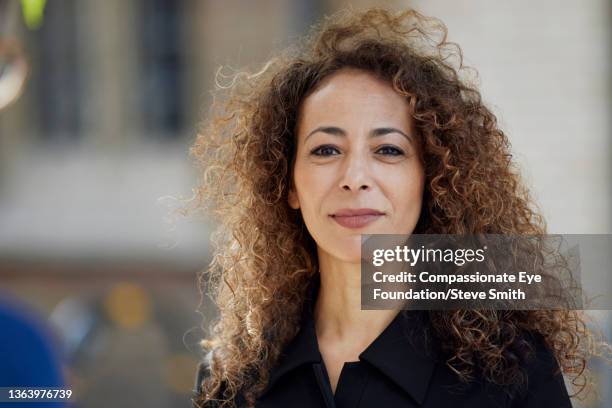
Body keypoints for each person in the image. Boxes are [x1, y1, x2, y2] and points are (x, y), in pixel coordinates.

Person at [188, 7, 600, 408]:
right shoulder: (231, 379)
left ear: (432, 178)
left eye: (388, 150)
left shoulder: (510, 371)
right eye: (326, 149)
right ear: (288, 183)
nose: (355, 176)